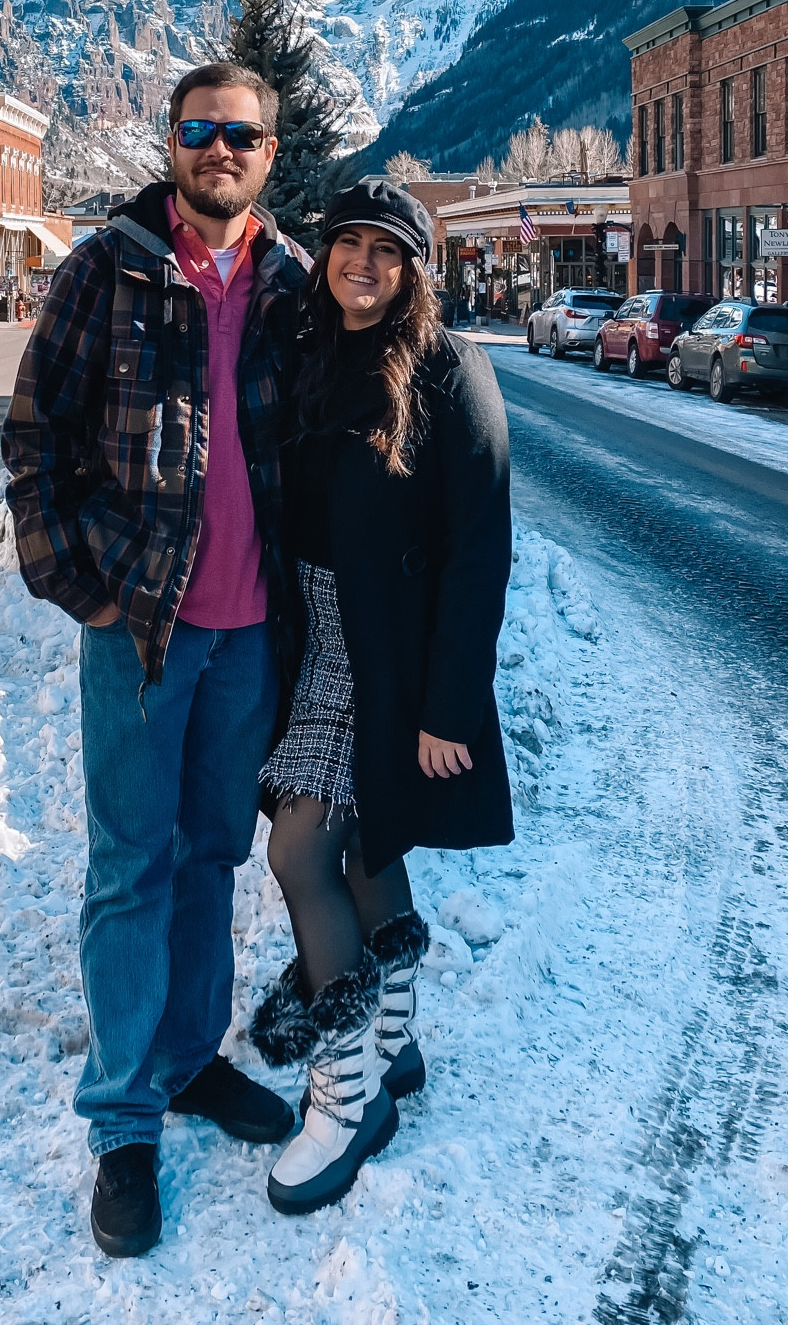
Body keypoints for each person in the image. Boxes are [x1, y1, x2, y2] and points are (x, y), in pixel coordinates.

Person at [2, 63, 312, 1258]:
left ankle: (189, 1059)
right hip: (139, 633)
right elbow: (33, 435)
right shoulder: (109, 267)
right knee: (130, 865)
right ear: (172, 142)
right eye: (201, 129)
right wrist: (74, 577)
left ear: (269, 153)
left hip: (246, 635)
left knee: (209, 856)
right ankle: (125, 1115)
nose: (220, 148)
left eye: (241, 133)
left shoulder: (289, 283)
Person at [250, 180, 513, 1215]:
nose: (362, 262)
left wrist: (450, 704)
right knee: (360, 849)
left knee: (302, 850)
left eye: (386, 249)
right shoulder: (314, 353)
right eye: (346, 243)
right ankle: (392, 1044)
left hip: (391, 653)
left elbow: (479, 548)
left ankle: (345, 1094)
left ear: (413, 266)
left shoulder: (453, 371)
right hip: (313, 636)